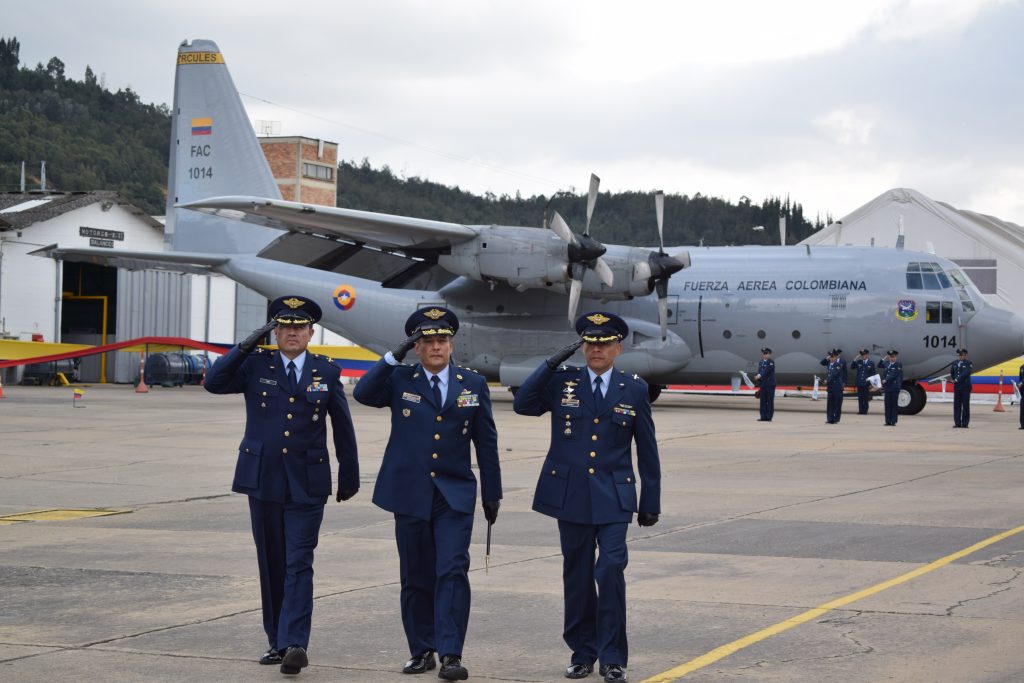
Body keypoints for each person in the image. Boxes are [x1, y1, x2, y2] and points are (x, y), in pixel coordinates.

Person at [203, 295, 359, 676]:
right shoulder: (255, 365)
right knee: (271, 562)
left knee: (298, 561)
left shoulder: (327, 370)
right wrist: (245, 345)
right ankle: (276, 639)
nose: (292, 333)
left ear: (310, 332)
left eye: (299, 327)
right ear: (275, 331)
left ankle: (295, 643)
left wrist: (349, 473)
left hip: (308, 481)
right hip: (263, 478)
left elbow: (342, 426)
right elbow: (213, 381)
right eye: (284, 327)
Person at [353, 306, 502, 681]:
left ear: (452, 345)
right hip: (409, 491)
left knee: (452, 569)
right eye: (428, 342)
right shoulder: (401, 379)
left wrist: (492, 493)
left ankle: (451, 653)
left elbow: (486, 443)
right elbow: (363, 393)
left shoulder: (473, 384)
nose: (436, 347)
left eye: (442, 340)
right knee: (416, 575)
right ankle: (421, 650)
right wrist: (392, 356)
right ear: (417, 347)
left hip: (454, 494)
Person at [513, 312, 661, 683]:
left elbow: (647, 449)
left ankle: (612, 657)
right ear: (582, 347)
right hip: (571, 494)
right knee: (577, 576)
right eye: (590, 344)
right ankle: (582, 653)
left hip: (614, 495)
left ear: (617, 348)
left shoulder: (634, 388)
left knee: (610, 570)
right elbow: (523, 403)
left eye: (604, 344)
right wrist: (550, 363)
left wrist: (651, 501)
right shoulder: (563, 381)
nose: (597, 350)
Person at [819, 348, 847, 424]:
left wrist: (827, 380)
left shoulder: (838, 365)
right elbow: (821, 362)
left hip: (837, 387)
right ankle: (830, 418)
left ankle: (836, 418)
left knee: (837, 403)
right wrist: (826, 358)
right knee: (830, 404)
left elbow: (833, 374)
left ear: (836, 357)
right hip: (830, 387)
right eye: (830, 357)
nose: (831, 358)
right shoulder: (829, 363)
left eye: (832, 356)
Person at [879, 349, 903, 426]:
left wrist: (885, 380)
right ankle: (888, 421)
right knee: (887, 404)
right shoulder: (887, 363)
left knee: (893, 404)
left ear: (896, 357)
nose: (892, 358)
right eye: (891, 357)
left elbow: (893, 374)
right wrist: (884, 358)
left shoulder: (898, 365)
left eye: (893, 357)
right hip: (887, 387)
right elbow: (879, 365)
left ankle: (893, 421)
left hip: (894, 387)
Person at [951, 348, 973, 428]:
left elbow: (966, 373)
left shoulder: (968, 363)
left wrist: (957, 379)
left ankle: (965, 423)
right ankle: (957, 423)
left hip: (965, 387)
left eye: (962, 355)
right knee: (957, 406)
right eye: (959, 355)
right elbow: (952, 373)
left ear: (965, 355)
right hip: (957, 387)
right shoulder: (954, 363)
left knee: (965, 405)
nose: (960, 357)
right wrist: (954, 379)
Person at [850, 348, 876, 415]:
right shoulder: (859, 362)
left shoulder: (871, 363)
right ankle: (860, 410)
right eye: (862, 355)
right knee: (860, 397)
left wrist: (871, 384)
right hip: (859, 382)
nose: (862, 356)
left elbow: (872, 374)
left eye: (864, 355)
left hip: (866, 383)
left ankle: (865, 410)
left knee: (865, 397)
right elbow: (852, 367)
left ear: (867, 355)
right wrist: (855, 359)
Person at [753, 347, 775, 421]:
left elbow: (766, 371)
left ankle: (769, 417)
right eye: (764, 353)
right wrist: (756, 376)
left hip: (770, 384)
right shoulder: (761, 362)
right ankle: (763, 416)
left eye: (766, 353)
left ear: (769, 354)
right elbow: (759, 371)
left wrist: (758, 376)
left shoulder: (771, 362)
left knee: (769, 401)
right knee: (763, 401)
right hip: (763, 384)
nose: (765, 355)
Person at [1019, 362, 1024, 430]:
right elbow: (1020, 378)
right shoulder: (1022, 367)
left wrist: (1022, 382)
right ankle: (1022, 424)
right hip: (1023, 391)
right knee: (1022, 407)